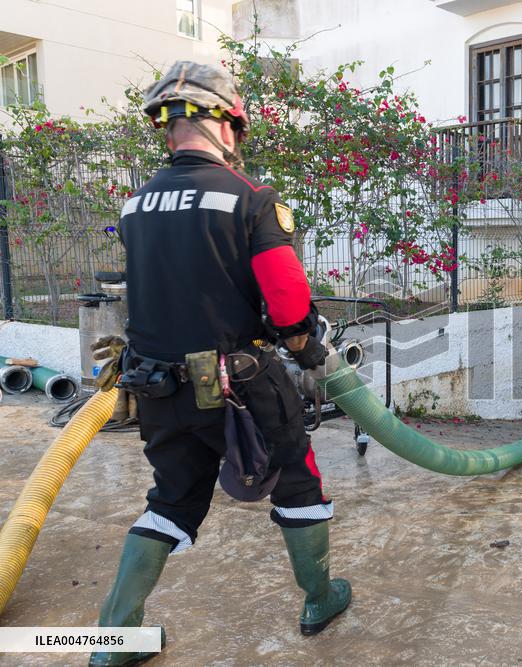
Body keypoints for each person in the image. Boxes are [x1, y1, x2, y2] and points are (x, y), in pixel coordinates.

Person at [90, 62, 349, 667]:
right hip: (243, 381)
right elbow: (286, 298)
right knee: (298, 480)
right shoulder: (249, 198)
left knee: (172, 499)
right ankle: (319, 597)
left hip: (156, 384)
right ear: (228, 124)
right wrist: (307, 348)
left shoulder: (134, 207)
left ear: (166, 129)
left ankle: (115, 641)